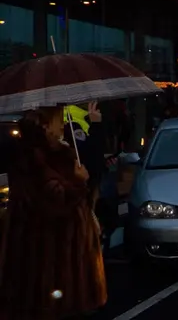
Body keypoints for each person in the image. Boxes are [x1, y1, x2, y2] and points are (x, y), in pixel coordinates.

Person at [0, 107, 107, 319]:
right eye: (59, 120)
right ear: (46, 126)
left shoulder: (47, 153)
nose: (63, 125)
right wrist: (79, 181)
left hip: (48, 256)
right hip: (52, 258)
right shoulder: (39, 158)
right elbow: (54, 200)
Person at [63, 103, 118, 251]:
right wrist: (96, 125)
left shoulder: (79, 119)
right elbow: (88, 157)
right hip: (83, 192)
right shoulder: (72, 121)